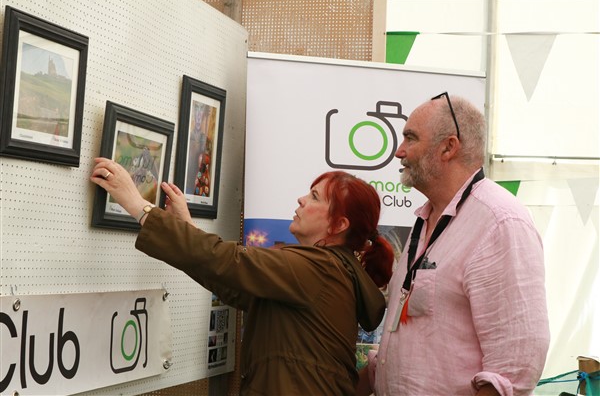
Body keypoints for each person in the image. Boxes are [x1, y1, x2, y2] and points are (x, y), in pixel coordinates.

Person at [90, 162, 395, 395]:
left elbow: (231, 262)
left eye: (315, 197)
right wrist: (186, 228)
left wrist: (138, 205)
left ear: (338, 225)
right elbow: (236, 284)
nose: (302, 199)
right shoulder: (329, 271)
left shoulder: (321, 269)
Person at [356, 93, 550, 396]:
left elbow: (513, 367)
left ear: (448, 147)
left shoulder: (500, 222)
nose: (399, 151)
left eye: (410, 138)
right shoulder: (427, 220)